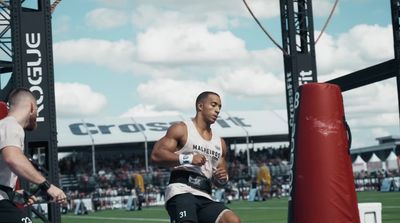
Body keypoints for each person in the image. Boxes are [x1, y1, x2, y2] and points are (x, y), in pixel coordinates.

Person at [151, 91, 241, 223]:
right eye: (213, 105)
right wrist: (188, 158)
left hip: (205, 195)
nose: (217, 110)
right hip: (181, 191)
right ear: (200, 106)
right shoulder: (181, 129)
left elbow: (221, 178)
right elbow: (156, 155)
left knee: (232, 220)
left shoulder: (220, 143)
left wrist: (222, 178)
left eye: (219, 107)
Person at [0, 88, 67, 223]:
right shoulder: (10, 125)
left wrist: (13, 194)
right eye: (37, 109)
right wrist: (48, 186)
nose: (36, 115)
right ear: (31, 106)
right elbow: (12, 157)